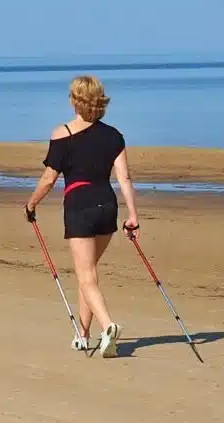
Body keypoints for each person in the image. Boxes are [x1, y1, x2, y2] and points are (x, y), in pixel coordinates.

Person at [23, 75, 139, 358]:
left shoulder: (62, 133)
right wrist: (133, 215)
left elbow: (49, 179)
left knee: (86, 275)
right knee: (88, 273)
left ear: (75, 101)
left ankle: (108, 326)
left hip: (80, 205)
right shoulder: (114, 136)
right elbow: (124, 177)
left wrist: (31, 204)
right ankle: (83, 335)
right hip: (107, 205)